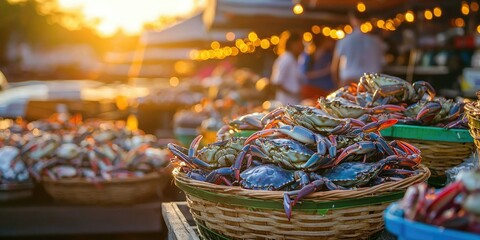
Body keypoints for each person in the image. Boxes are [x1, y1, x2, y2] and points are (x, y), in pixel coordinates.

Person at [331, 10, 385, 87]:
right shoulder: (377, 41)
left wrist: (338, 84)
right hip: (373, 82)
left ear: (352, 19)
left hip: (349, 80)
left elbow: (334, 66)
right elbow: (382, 62)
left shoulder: (345, 40)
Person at [270, 31, 305, 105]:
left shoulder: (295, 59)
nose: (302, 46)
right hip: (286, 102)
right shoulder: (286, 58)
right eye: (300, 43)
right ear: (293, 44)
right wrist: (293, 94)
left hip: (294, 102)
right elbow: (276, 82)